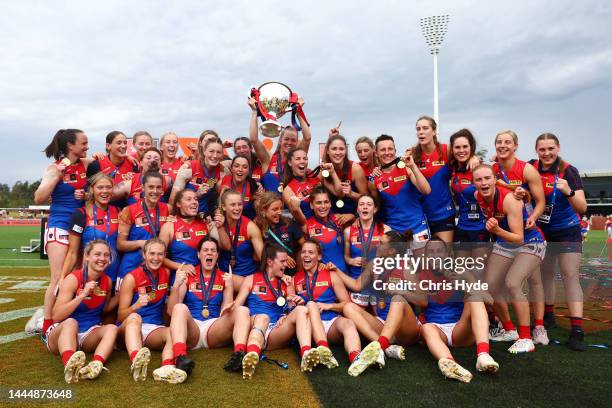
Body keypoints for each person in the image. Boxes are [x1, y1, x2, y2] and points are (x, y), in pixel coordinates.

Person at [474, 164, 546, 354]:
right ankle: (509, 330)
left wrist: (496, 230)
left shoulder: (509, 200)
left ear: (494, 179)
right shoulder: (477, 196)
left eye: (487, 178)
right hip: (506, 243)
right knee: (489, 286)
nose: (483, 183)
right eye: (479, 179)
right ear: (474, 183)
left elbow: (519, 237)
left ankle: (526, 339)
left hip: (530, 243)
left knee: (512, 283)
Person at [531, 133, 588, 350]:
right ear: (536, 150)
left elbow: (582, 208)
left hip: (566, 231)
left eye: (550, 149)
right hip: (542, 231)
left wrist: (569, 191)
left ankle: (576, 330)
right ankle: (549, 315)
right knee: (545, 274)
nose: (546, 153)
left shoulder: (568, 170)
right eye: (542, 149)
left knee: (569, 275)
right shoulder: (532, 166)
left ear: (558, 148)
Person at [491, 130, 548, 344]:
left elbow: (540, 200)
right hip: (506, 236)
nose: (503, 145)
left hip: (529, 233)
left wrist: (533, 216)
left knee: (529, 280)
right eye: (499, 142)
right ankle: (509, 328)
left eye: (507, 142)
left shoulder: (527, 169)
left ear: (516, 146)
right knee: (493, 285)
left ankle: (537, 328)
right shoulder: (492, 169)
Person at [34, 129, 92, 338]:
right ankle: (47, 324)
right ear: (70, 146)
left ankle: (66, 317)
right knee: (58, 277)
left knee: (76, 277)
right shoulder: (54, 168)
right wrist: (56, 177)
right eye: (83, 143)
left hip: (80, 227)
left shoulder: (86, 164)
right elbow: (39, 197)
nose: (87, 147)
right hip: (59, 226)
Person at [166, 237, 251, 378]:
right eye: (205, 250)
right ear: (199, 254)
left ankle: (239, 355)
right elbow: (171, 310)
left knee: (242, 310)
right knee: (180, 308)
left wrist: (229, 287)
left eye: (213, 250)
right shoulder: (188, 275)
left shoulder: (224, 277)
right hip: (192, 329)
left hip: (213, 330)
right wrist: (176, 286)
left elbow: (225, 313)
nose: (209, 253)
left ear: (217, 255)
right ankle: (180, 357)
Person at [417, 238, 499, 383]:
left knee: (474, 298)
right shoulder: (419, 275)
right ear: (425, 255)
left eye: (439, 251)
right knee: (426, 328)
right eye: (431, 252)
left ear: (447, 254)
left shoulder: (460, 270)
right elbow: (420, 304)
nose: (435, 255)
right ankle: (451, 364)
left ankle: (483, 355)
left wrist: (461, 284)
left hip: (460, 328)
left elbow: (489, 300)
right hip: (437, 330)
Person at [340, 231, 422, 375]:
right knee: (348, 308)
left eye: (381, 243)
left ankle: (378, 347)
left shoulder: (406, 267)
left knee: (397, 299)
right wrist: (334, 270)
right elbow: (356, 285)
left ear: (391, 251)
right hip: (383, 325)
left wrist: (402, 291)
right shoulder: (374, 264)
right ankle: (387, 348)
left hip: (406, 330)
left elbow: (423, 300)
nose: (377, 244)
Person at [234, 244, 317, 379]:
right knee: (261, 318)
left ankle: (306, 353)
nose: (285, 265)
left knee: (302, 310)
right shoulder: (251, 279)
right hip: (254, 326)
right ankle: (250, 355)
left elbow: (291, 307)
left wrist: (289, 311)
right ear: (270, 262)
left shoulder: (286, 282)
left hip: (275, 331)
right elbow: (238, 307)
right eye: (282, 261)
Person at [47, 240, 119, 383]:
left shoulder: (107, 281)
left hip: (88, 334)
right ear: (87, 256)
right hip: (62, 333)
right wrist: (81, 295)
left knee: (112, 329)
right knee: (71, 323)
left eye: (106, 255)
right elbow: (56, 316)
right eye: (97, 254)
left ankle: (96, 364)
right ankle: (70, 365)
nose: (102, 259)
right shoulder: (74, 278)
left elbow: (104, 309)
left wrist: (122, 295)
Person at [117, 238, 187, 383]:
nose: (156, 258)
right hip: (130, 328)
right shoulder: (131, 278)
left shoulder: (166, 274)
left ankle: (167, 367)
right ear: (144, 255)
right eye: (152, 254)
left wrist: (176, 287)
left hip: (153, 329)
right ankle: (137, 362)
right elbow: (120, 315)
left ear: (164, 255)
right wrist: (135, 306)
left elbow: (169, 311)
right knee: (134, 317)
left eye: (160, 254)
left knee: (171, 332)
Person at [294, 239, 366, 375]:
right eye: (303, 252)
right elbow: (292, 308)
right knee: (311, 305)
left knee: (348, 323)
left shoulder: (331, 275)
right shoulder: (294, 279)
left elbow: (346, 303)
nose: (306, 255)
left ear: (319, 256)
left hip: (330, 323)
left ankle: (356, 358)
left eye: (311, 252)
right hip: (308, 326)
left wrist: (329, 306)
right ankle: (323, 350)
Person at [412, 117, 475, 243]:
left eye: (425, 128)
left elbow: (463, 153)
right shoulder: (413, 154)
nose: (421, 132)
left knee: (442, 256)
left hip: (443, 214)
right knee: (424, 259)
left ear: (434, 131)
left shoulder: (446, 149)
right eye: (418, 129)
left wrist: (473, 157)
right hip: (421, 216)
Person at [61, 173, 121, 289]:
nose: (105, 191)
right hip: (88, 277)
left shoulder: (120, 212)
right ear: (92, 190)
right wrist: (62, 278)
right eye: (100, 187)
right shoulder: (81, 214)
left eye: (108, 187)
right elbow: (72, 253)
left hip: (113, 276)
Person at [369, 134, 431, 244]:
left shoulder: (406, 168)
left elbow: (426, 190)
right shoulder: (373, 179)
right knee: (400, 262)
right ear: (376, 153)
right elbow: (375, 207)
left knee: (422, 262)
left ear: (395, 150)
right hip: (394, 231)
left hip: (417, 227)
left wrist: (413, 167)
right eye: (383, 150)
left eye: (390, 149)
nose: (387, 152)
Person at [116, 171, 171, 291]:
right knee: (123, 304)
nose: (155, 191)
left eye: (158, 187)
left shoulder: (168, 209)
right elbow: (120, 244)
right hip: (132, 265)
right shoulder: (129, 210)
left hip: (156, 266)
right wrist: (142, 243)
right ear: (142, 188)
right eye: (151, 187)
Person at [159, 189, 225, 284]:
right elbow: (159, 257)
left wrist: (218, 227)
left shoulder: (205, 224)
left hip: (205, 281)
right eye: (189, 199)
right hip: (181, 280)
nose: (194, 202)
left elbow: (220, 249)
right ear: (178, 204)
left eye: (195, 199)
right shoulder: (169, 226)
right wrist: (181, 267)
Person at [248, 97, 312, 193]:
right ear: (280, 140)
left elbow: (307, 138)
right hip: (271, 206)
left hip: (292, 207)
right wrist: (254, 112)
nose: (289, 143)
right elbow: (254, 139)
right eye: (286, 139)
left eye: (293, 140)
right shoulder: (268, 159)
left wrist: (298, 111)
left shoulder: (297, 160)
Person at [449, 129, 490, 260]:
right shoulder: (453, 169)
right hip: (462, 226)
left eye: (465, 146)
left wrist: (476, 158)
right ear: (452, 149)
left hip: (481, 227)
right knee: (462, 271)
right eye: (457, 147)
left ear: (471, 147)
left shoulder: (481, 168)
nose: (461, 150)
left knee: (478, 271)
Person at [344, 195, 391, 307]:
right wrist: (351, 261)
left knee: (379, 317)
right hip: (357, 279)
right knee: (359, 319)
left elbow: (392, 259)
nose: (365, 207)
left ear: (374, 209)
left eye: (369, 205)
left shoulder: (386, 230)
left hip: (377, 281)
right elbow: (346, 256)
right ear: (357, 209)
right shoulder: (348, 231)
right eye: (361, 204)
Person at [216, 189, 264, 288]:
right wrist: (220, 227)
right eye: (233, 205)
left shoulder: (250, 227)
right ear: (224, 207)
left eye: (240, 204)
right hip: (223, 277)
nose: (237, 208)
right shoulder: (218, 224)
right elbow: (226, 247)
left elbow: (262, 257)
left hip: (246, 278)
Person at [172, 137, 227, 218]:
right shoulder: (189, 168)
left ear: (222, 154)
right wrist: (196, 194)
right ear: (204, 151)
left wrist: (218, 216)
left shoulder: (223, 172)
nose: (215, 156)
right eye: (211, 151)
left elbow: (222, 202)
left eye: (218, 152)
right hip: (185, 217)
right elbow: (173, 200)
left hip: (205, 218)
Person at [304, 186, 354, 273]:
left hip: (346, 274)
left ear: (330, 204)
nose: (323, 206)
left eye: (326, 202)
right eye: (318, 203)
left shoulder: (339, 218)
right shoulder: (307, 225)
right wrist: (316, 263)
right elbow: (304, 254)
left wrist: (353, 216)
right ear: (312, 205)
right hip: (325, 277)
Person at [256, 191, 305, 276]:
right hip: (269, 274)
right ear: (264, 210)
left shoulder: (289, 223)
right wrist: (282, 258)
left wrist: (299, 272)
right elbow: (256, 255)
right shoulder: (257, 227)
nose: (279, 212)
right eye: (275, 209)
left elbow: (304, 246)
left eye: (280, 208)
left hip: (291, 273)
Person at [282, 147, 334, 225]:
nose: (302, 161)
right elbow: (302, 223)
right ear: (290, 162)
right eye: (298, 159)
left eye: (305, 158)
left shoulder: (316, 177)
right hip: (312, 231)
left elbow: (325, 160)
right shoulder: (288, 191)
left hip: (332, 223)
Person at [88, 131, 140, 208]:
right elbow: (89, 192)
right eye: (119, 143)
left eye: (125, 143)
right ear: (108, 146)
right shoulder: (97, 164)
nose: (123, 146)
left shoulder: (133, 164)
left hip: (125, 211)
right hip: (103, 211)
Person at [321, 132, 368, 215]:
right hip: (333, 217)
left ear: (345, 150)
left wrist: (352, 194)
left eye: (341, 149)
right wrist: (332, 173)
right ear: (327, 151)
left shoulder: (355, 169)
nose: (338, 152)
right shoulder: (324, 171)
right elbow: (339, 193)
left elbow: (367, 199)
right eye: (334, 149)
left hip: (354, 216)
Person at [219, 154, 263, 220]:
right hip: (228, 222)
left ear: (248, 170)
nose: (240, 169)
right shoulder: (225, 180)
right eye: (236, 166)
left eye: (245, 167)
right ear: (231, 169)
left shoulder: (253, 185)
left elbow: (260, 213)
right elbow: (220, 207)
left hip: (247, 222)